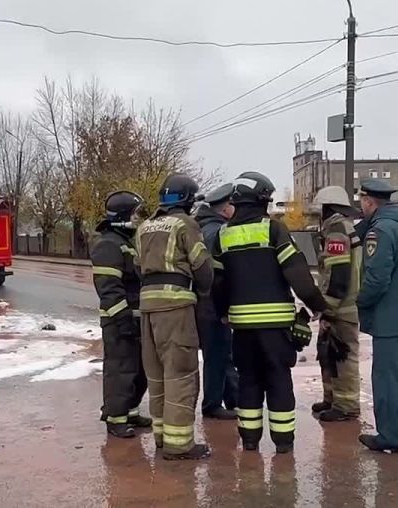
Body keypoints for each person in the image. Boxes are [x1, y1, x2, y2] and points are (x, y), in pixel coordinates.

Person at [212, 172, 328, 454]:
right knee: (278, 382)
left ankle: (250, 442)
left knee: (249, 381)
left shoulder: (222, 235)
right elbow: (297, 274)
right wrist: (317, 306)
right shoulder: (273, 230)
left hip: (241, 329)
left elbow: (217, 283)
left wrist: (222, 313)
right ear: (263, 200)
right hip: (276, 328)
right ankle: (283, 445)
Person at [136, 173, 214, 460]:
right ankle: (179, 445)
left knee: (156, 374)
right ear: (189, 200)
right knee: (180, 374)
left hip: (147, 307)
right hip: (176, 307)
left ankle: (161, 438)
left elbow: (136, 266)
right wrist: (204, 292)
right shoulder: (186, 225)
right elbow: (202, 267)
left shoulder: (143, 227)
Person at [355, 178, 398, 454]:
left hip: (388, 318)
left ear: (370, 202)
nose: (360, 206)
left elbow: (377, 278)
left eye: (362, 201)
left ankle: (390, 436)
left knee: (386, 379)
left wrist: (360, 301)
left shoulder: (380, 231)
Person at [90, 191, 152, 438]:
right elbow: (109, 288)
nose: (139, 219)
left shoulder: (125, 242)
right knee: (120, 370)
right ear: (124, 216)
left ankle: (131, 411)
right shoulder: (108, 244)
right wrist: (123, 319)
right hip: (119, 321)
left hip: (134, 319)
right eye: (136, 214)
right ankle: (116, 419)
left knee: (139, 371)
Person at [310, 186, 362, 423]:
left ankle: (346, 405)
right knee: (328, 353)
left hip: (341, 307)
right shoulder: (340, 227)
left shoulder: (337, 230)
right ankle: (332, 399)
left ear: (327, 207)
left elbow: (339, 273)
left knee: (342, 355)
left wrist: (327, 307)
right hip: (339, 305)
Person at [194, 183, 239, 421]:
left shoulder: (205, 227)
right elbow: (217, 273)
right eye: (233, 204)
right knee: (217, 353)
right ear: (225, 208)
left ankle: (233, 397)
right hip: (212, 302)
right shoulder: (217, 233)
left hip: (206, 301)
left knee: (223, 352)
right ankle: (212, 404)